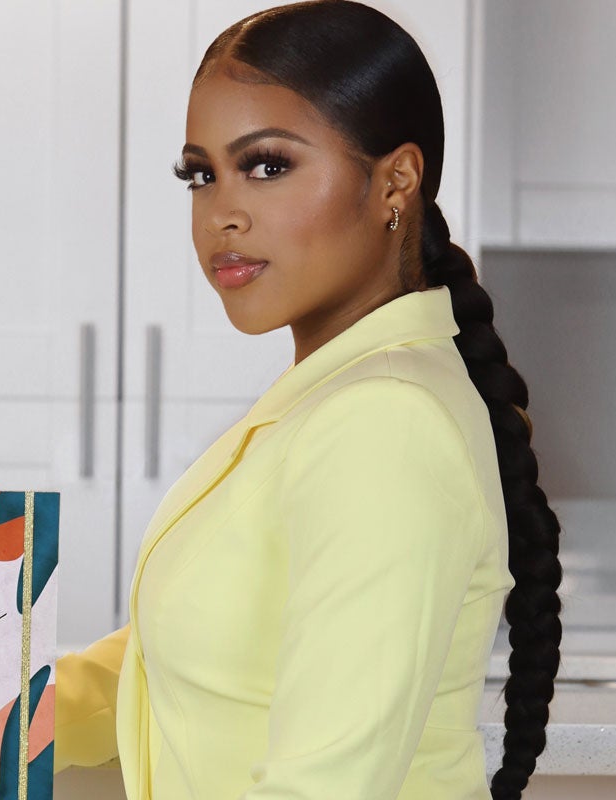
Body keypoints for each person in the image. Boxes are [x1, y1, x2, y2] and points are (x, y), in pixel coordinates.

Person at [54, 1, 564, 797]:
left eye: (266, 165)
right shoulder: (333, 397)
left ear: (395, 181)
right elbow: (189, 650)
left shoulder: (383, 425)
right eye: (202, 174)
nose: (221, 212)